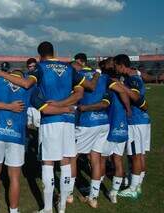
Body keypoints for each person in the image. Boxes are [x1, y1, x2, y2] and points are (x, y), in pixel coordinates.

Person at [0, 41, 100, 213]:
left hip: (50, 120)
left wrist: (1, 73)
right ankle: (61, 208)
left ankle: (47, 208)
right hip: (68, 119)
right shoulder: (69, 69)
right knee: (66, 161)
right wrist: (96, 74)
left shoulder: (40, 67)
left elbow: (26, 84)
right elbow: (85, 89)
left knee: (48, 162)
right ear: (54, 52)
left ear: (39, 55)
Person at [72, 54, 111, 208]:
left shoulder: (78, 76)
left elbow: (74, 96)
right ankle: (93, 198)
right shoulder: (101, 76)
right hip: (103, 121)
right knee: (95, 158)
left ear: (77, 65)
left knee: (72, 156)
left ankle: (67, 194)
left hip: (87, 122)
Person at [112, 54, 151, 199]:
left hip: (136, 121)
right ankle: (138, 185)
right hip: (143, 120)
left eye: (115, 65)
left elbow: (135, 97)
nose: (115, 69)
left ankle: (133, 188)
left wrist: (120, 86)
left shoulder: (132, 78)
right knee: (140, 154)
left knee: (135, 155)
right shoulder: (134, 76)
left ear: (121, 65)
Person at [99, 57, 132, 204]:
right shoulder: (121, 81)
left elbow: (123, 95)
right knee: (118, 160)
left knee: (101, 158)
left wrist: (127, 108)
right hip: (122, 124)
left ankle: (95, 187)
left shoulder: (109, 81)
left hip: (111, 123)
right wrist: (127, 109)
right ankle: (114, 193)